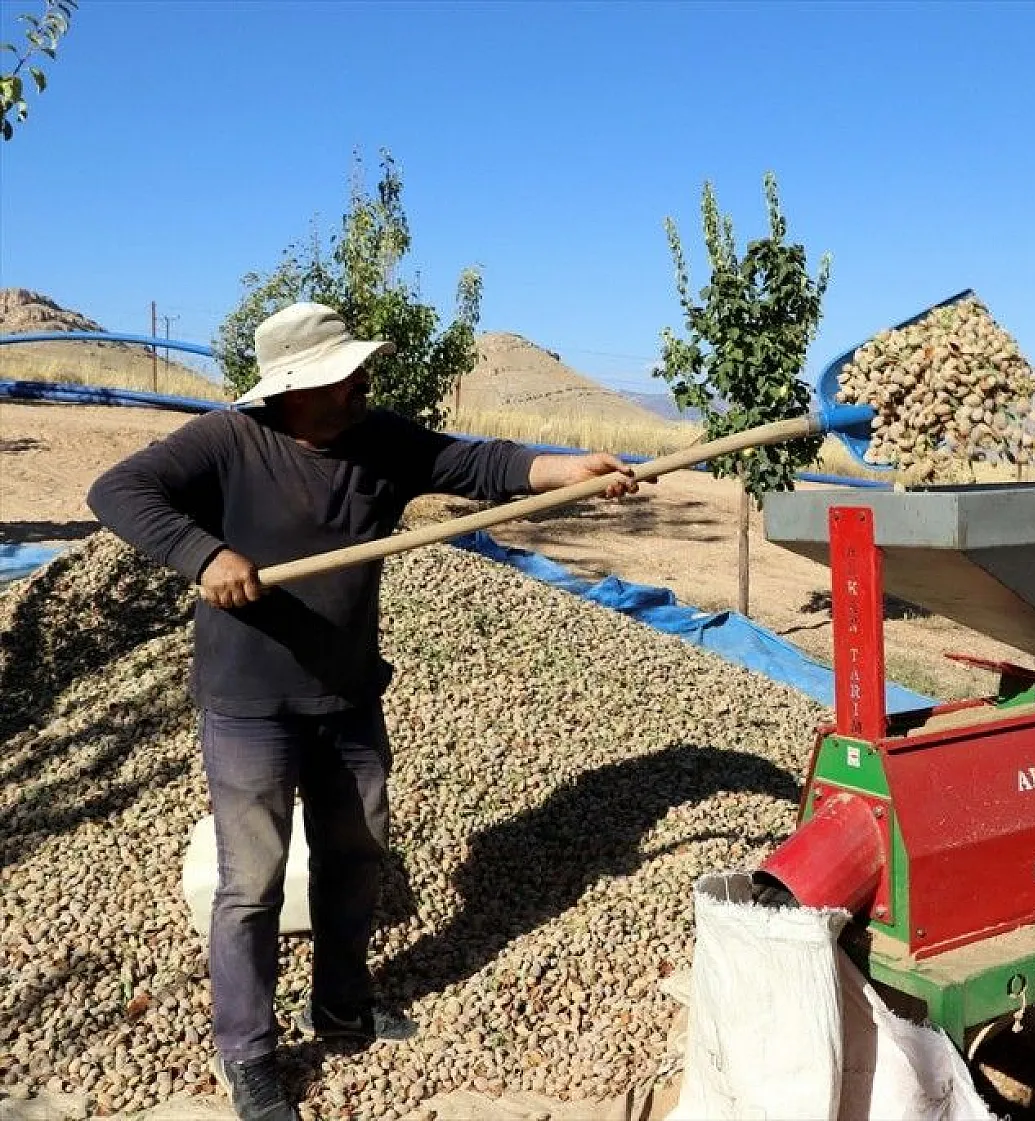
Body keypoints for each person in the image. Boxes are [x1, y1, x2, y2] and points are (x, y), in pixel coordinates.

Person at [87, 302, 644, 1121]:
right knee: (253, 883)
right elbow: (116, 489)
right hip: (251, 704)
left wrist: (568, 471)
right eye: (344, 374)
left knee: (357, 853)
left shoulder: (379, 438)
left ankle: (342, 1004)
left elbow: (477, 463)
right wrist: (204, 554)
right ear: (295, 387)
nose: (362, 383)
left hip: (347, 696)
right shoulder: (227, 441)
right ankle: (248, 1054)